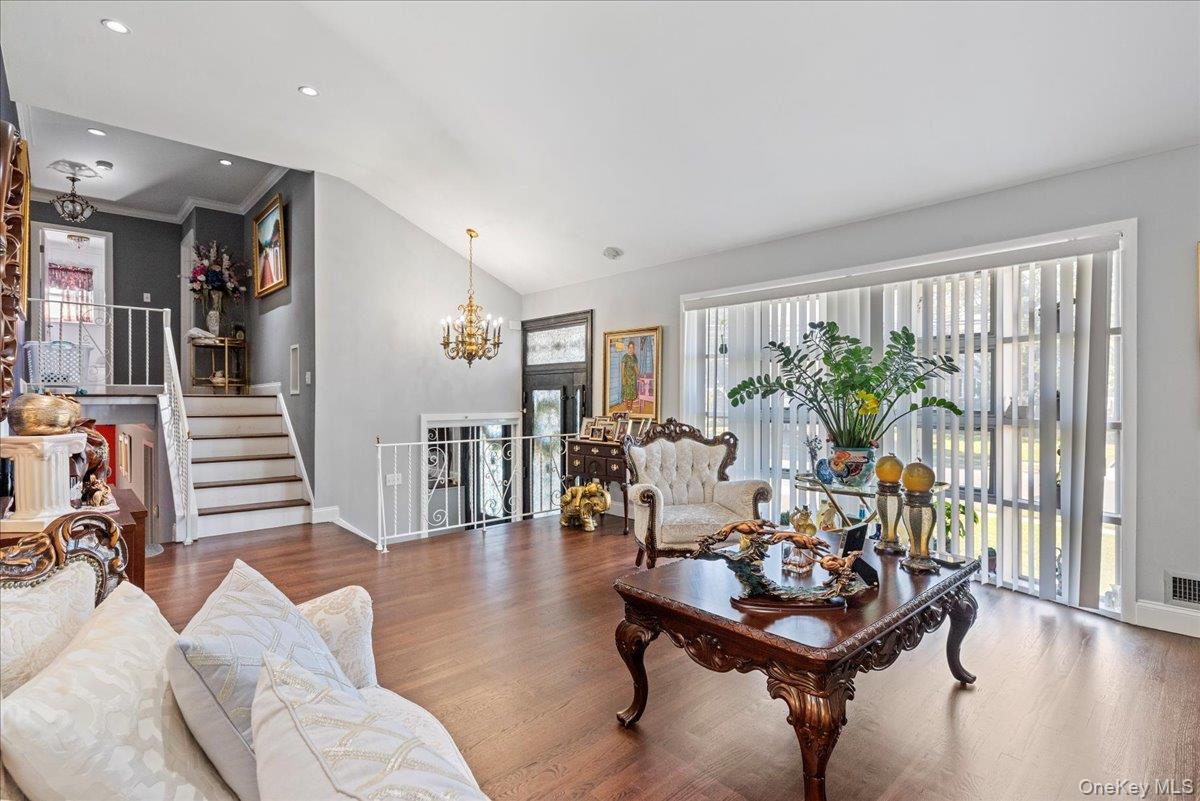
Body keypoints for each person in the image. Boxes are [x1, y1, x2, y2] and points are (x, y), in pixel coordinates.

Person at [620, 339, 639, 411]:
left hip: (632, 379)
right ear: (628, 348)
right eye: (630, 347)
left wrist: (639, 374)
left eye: (632, 347)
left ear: (634, 348)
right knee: (626, 395)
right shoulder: (625, 357)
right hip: (626, 378)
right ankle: (626, 409)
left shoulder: (634, 357)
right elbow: (622, 369)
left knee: (631, 395)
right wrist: (623, 379)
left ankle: (630, 409)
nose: (631, 349)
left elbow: (636, 368)